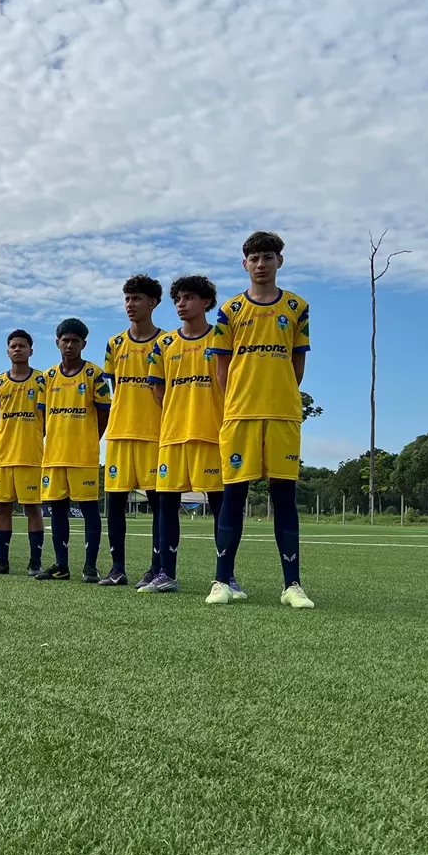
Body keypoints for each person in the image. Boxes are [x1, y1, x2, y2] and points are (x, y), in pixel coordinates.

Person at [207, 231, 314, 608]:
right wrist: (239, 399)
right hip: (240, 414)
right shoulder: (230, 310)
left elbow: (297, 365)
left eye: (268, 257)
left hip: (283, 414)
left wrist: (279, 392)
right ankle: (223, 582)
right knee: (233, 497)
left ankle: (292, 586)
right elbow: (221, 368)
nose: (261, 264)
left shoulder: (298, 307)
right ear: (245, 264)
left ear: (279, 261)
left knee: (284, 498)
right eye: (254, 258)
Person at [146, 275, 230, 595]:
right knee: (167, 505)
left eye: (189, 298)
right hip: (173, 436)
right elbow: (158, 391)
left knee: (221, 506)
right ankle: (166, 574)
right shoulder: (165, 344)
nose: (181, 304)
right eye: (178, 299)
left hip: (213, 435)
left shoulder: (221, 339)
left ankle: (226, 576)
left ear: (206, 302)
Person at [102, 274, 166, 588]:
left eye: (137, 298)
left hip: (154, 435)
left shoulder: (167, 342)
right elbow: (115, 387)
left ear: (152, 303)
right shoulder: (114, 344)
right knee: (114, 503)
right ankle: (117, 568)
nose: (130, 304)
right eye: (127, 298)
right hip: (119, 434)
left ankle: (157, 568)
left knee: (158, 505)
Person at [37, 318, 111, 582]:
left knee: (89, 509)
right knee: (57, 510)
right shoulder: (47, 377)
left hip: (83, 456)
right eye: (65, 340)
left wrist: (90, 439)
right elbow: (43, 416)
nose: (69, 345)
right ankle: (61, 566)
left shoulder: (95, 374)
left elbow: (104, 413)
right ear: (57, 342)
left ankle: (90, 567)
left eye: (75, 341)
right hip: (54, 456)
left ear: (84, 344)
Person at [0, 330, 46, 576]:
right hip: (2, 456)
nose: (17, 349)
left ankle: (35, 562)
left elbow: (47, 420)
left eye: (22, 345)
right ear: (7, 351)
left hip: (30, 455)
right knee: (3, 508)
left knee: (32, 508)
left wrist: (32, 438)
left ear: (31, 350)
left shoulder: (42, 381)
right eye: (13, 346)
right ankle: (1, 561)